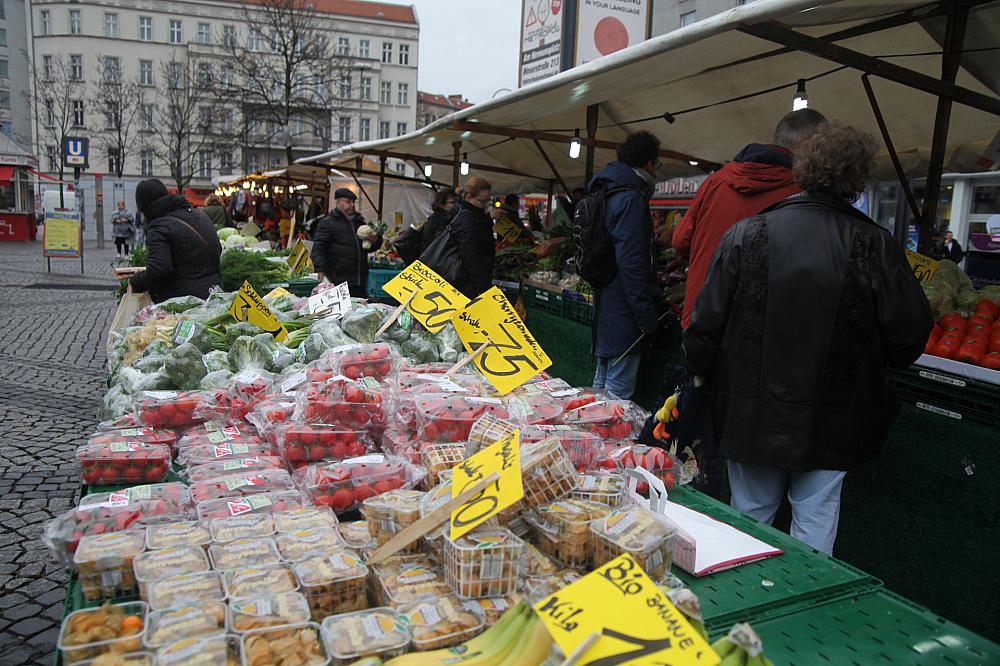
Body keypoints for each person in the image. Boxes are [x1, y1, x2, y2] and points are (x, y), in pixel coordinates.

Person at [683, 123, 933, 555]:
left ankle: (742, 609)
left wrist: (703, 373)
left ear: (802, 170)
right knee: (814, 528)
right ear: (857, 180)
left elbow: (704, 327)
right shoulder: (875, 244)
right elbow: (908, 336)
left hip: (749, 410)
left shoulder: (747, 234)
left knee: (748, 517)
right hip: (834, 419)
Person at [673, 109, 828, 328]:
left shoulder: (715, 182)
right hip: (757, 330)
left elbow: (681, 242)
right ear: (810, 145)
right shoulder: (805, 193)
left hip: (702, 317)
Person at [590, 130, 662, 400]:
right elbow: (632, 262)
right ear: (649, 164)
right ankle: (605, 441)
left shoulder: (608, 191)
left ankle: (586, 438)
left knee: (602, 383)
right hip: (624, 306)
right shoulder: (631, 198)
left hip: (606, 300)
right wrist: (645, 315)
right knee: (617, 396)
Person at [129, 179, 222, 303]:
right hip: (214, 294)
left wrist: (135, 281)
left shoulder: (158, 226)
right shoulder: (201, 215)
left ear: (145, 207)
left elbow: (160, 269)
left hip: (184, 303)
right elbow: (218, 249)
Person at [311, 188, 382, 298]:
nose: (352, 205)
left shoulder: (360, 223)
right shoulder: (327, 223)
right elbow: (318, 248)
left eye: (353, 202)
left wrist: (376, 240)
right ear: (338, 202)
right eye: (348, 202)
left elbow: (368, 248)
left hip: (359, 279)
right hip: (338, 278)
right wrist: (320, 268)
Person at [446, 176, 496, 299]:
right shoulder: (468, 218)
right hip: (466, 284)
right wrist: (481, 288)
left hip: (468, 281)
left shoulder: (472, 215)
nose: (485, 205)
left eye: (487, 201)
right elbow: (469, 254)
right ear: (469, 197)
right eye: (482, 201)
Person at [421, 187, 458, 254]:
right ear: (441, 205)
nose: (456, 205)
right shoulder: (437, 220)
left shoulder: (442, 218)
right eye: (453, 202)